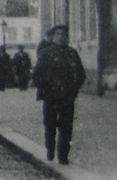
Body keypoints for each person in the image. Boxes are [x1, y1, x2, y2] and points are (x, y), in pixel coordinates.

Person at [32, 23, 86, 164]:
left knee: (66, 126)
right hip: (50, 96)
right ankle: (50, 148)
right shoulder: (46, 53)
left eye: (64, 35)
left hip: (67, 96)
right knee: (50, 124)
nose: (61, 37)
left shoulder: (72, 54)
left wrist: (74, 89)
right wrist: (44, 88)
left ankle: (63, 155)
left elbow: (81, 74)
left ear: (67, 37)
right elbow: (36, 74)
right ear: (53, 37)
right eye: (58, 34)